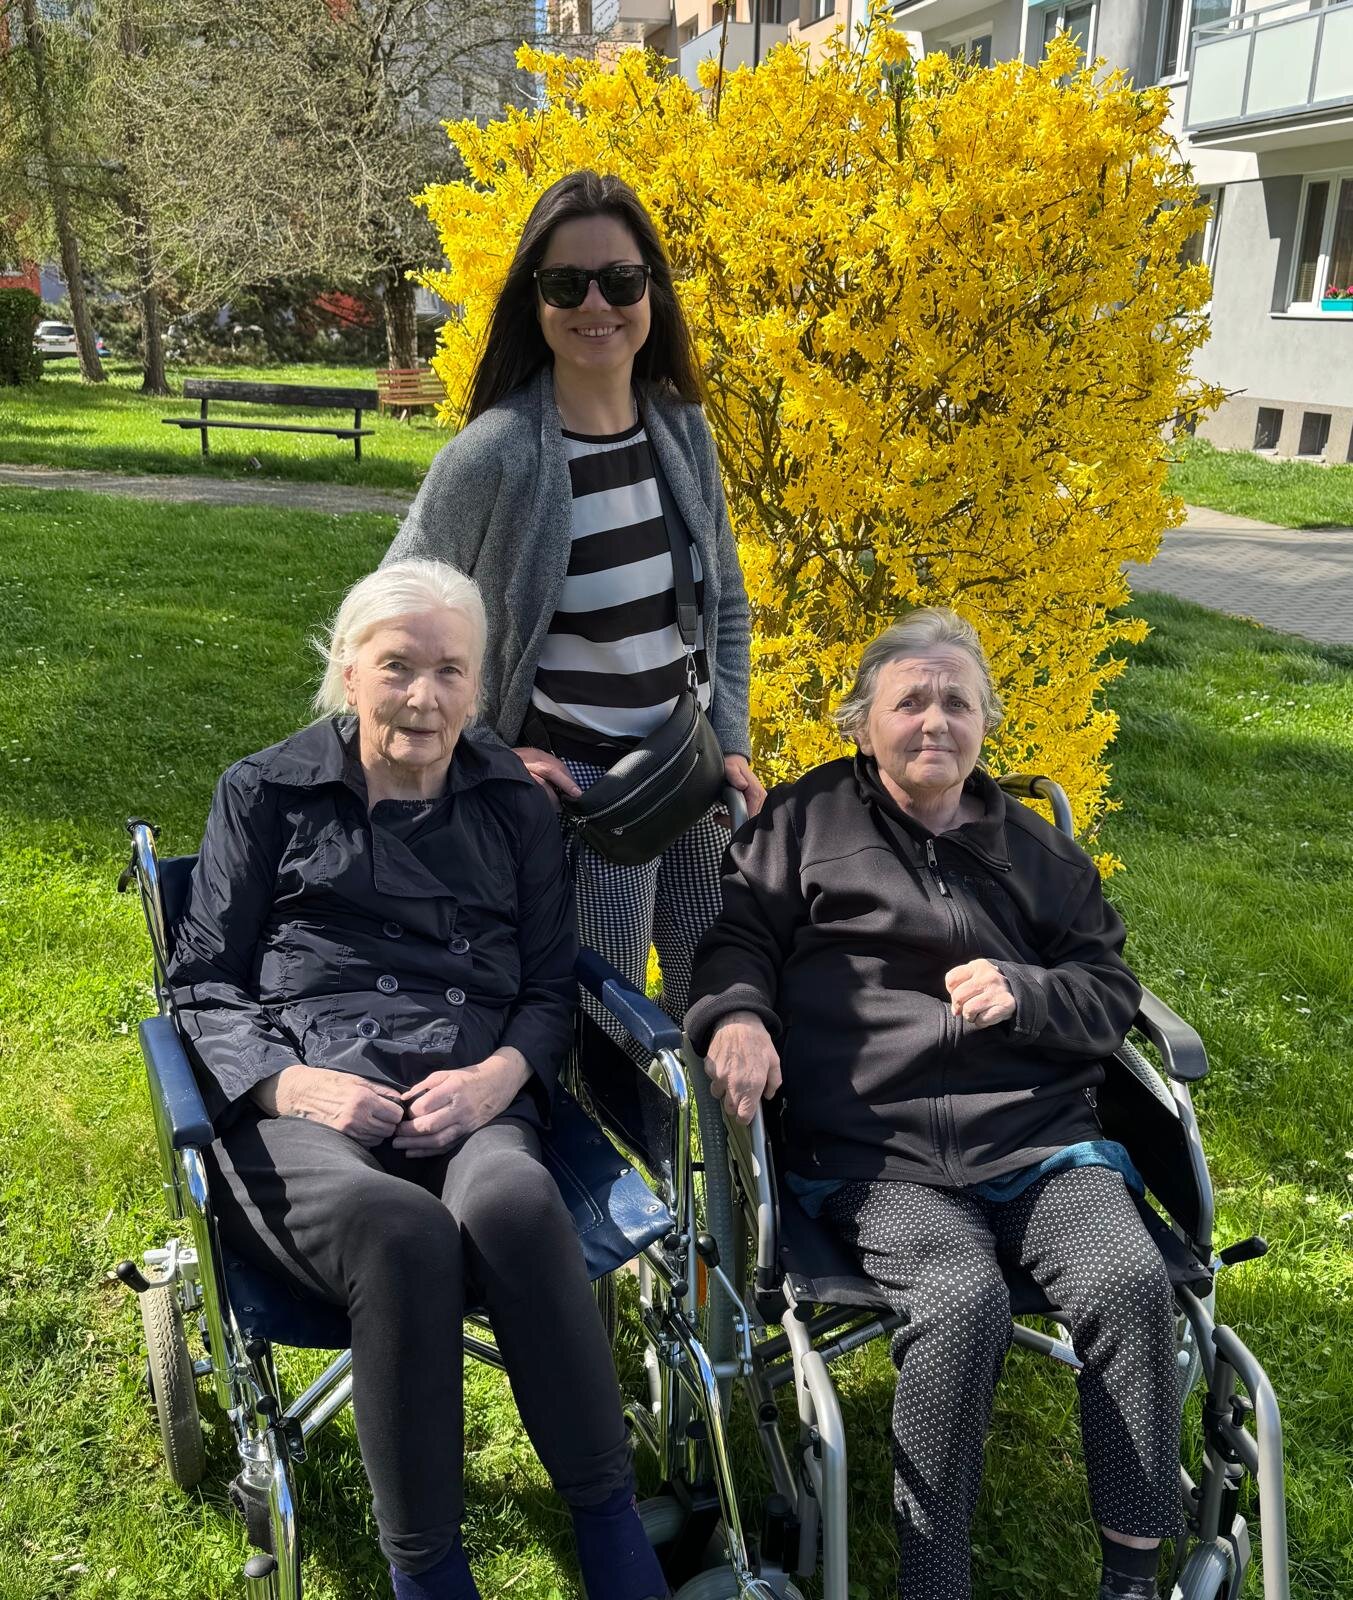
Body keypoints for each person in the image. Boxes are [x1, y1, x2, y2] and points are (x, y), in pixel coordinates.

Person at [168, 559, 667, 1600]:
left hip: (469, 1091)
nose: (423, 697)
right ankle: (429, 1573)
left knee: (518, 1202)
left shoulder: (513, 806)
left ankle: (613, 1534)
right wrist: (290, 1087)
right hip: (302, 1105)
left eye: (450, 671)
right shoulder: (265, 793)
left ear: (479, 687)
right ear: (348, 671)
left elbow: (547, 986)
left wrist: (497, 1078)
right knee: (401, 1231)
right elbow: (204, 984)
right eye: (396, 666)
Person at [685, 608, 1183, 1600]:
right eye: (909, 700)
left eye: (957, 701)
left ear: (986, 721)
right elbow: (735, 937)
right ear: (862, 721)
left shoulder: (1037, 854)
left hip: (1038, 1140)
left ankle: (1132, 1576)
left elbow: (1108, 988)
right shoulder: (805, 822)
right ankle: (933, 1579)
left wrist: (1026, 991)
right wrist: (736, 1014)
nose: (934, 721)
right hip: (873, 1148)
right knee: (960, 1300)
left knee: (1130, 1281)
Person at [385, 169, 763, 1044]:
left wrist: (733, 741)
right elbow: (389, 627)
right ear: (535, 299)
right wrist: (484, 750)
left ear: (651, 292)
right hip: (583, 799)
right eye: (566, 283)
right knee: (605, 1033)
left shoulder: (680, 428)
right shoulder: (496, 455)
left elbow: (727, 608)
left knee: (724, 1011)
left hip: (688, 769)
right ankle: (605, 1144)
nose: (597, 304)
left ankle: (712, 1147)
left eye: (620, 280)